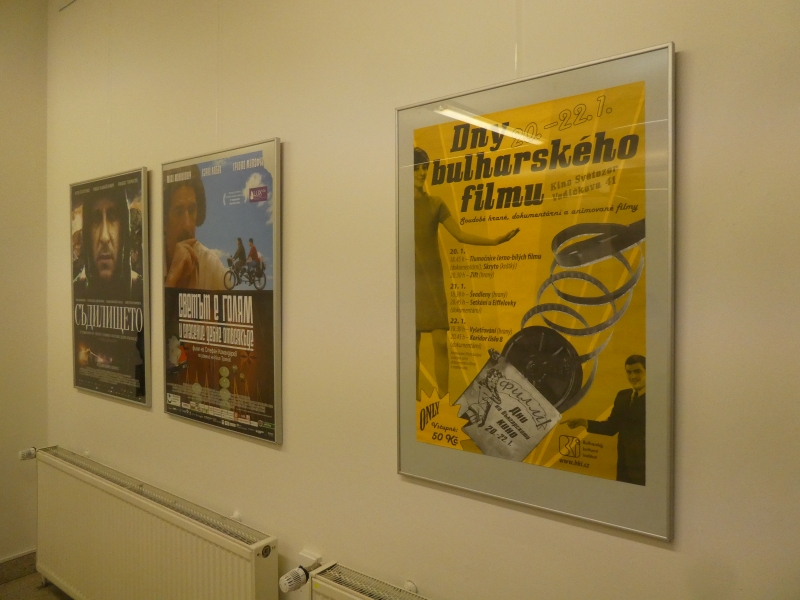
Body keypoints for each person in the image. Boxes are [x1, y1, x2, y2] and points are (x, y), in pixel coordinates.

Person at [414, 147, 519, 399]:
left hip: (433, 283)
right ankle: (413, 402)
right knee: (410, 348)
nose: (422, 172)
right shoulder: (395, 206)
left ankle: (443, 403)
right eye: (416, 168)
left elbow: (460, 235)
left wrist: (495, 241)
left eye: (425, 167)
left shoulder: (435, 203)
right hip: (408, 284)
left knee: (441, 343)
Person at [564, 355, 647, 485]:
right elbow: (611, 427)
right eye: (629, 372)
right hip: (624, 467)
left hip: (646, 470)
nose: (632, 377)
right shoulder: (622, 396)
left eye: (637, 371)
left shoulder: (656, 399)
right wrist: (583, 422)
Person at [163, 164, 226, 290]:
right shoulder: (148, 262)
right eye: (178, 212)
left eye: (192, 210)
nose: (187, 225)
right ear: (164, 220)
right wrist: (172, 278)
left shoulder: (213, 269)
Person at [73, 186, 141, 300]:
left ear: (123, 229)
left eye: (112, 217)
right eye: (96, 219)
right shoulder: (74, 292)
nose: (104, 237)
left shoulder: (141, 290)